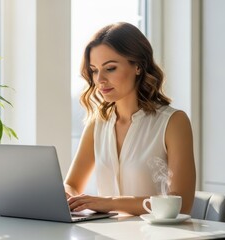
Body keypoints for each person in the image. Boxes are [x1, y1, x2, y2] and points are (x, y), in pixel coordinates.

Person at [64, 22, 196, 216]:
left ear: (138, 67)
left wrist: (108, 203)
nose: (100, 79)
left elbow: (181, 203)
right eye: (94, 70)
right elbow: (72, 184)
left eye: (110, 68)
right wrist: (67, 195)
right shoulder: (97, 124)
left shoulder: (173, 122)